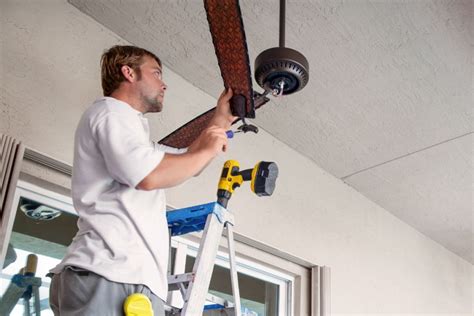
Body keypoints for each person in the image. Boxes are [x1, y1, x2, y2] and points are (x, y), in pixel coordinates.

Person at [48, 45, 236, 315]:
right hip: (109, 272)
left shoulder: (134, 137)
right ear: (129, 73)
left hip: (127, 277)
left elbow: (186, 162)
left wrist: (221, 119)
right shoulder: (111, 112)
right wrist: (208, 149)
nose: (164, 84)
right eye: (156, 73)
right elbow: (149, 176)